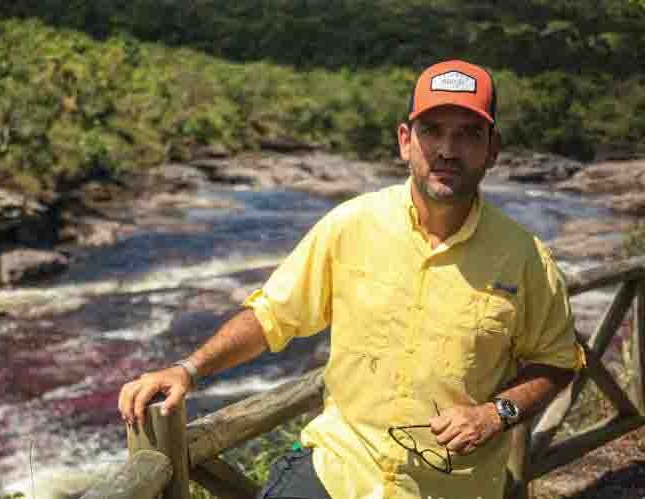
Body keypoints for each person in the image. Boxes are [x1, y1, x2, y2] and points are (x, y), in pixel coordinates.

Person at [118, 59, 584, 499]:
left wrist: (495, 414)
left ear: (493, 149)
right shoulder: (351, 225)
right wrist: (188, 369)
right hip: (338, 470)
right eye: (432, 131)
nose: (447, 150)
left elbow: (557, 360)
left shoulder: (526, 259)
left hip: (450, 488)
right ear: (405, 141)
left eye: (467, 134)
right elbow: (272, 316)